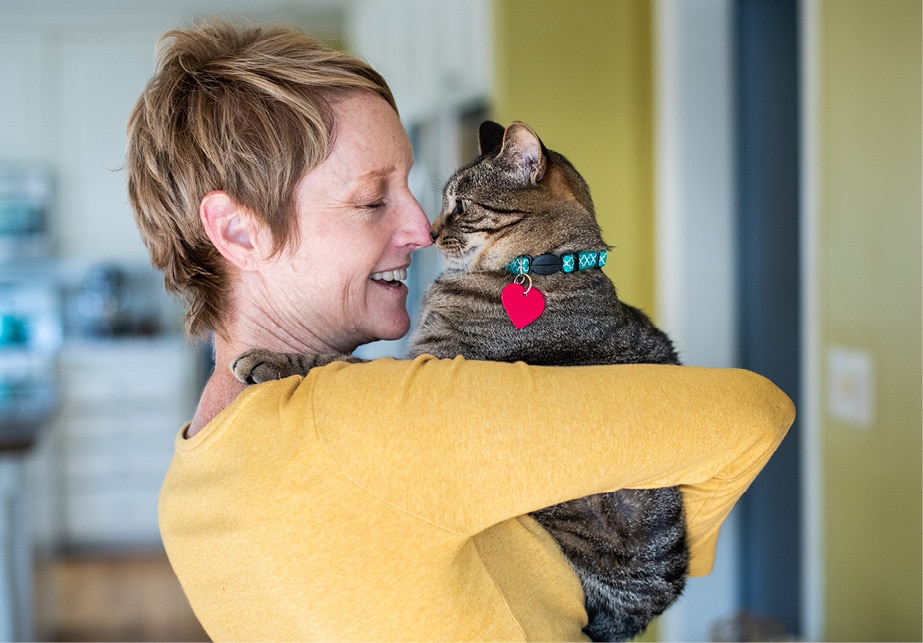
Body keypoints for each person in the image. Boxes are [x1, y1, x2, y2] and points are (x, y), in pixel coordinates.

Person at [126, 19, 794, 642]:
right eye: (371, 200)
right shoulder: (389, 419)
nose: (422, 231)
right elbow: (751, 413)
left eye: (412, 188)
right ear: (239, 229)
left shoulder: (186, 494)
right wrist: (666, 559)